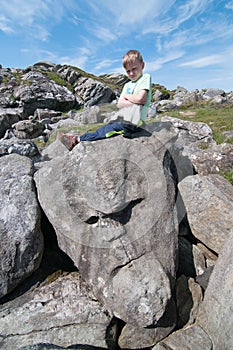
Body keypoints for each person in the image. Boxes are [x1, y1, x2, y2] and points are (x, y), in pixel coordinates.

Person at [58, 50, 152, 150]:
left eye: (134, 69)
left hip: (136, 123)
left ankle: (77, 140)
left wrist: (127, 97)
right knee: (107, 127)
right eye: (128, 71)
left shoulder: (145, 78)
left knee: (106, 130)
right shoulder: (127, 85)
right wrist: (133, 101)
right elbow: (120, 104)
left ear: (142, 66)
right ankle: (77, 139)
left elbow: (141, 99)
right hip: (126, 119)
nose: (132, 73)